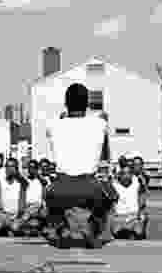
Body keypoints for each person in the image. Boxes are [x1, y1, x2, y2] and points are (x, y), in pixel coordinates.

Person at [43, 83, 118, 247]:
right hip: (89, 188)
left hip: (60, 188)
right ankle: (100, 232)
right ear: (87, 104)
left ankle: (55, 228)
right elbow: (105, 155)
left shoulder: (53, 124)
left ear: (66, 103)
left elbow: (61, 119)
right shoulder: (100, 124)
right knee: (112, 195)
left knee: (47, 195)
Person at [110, 161, 148, 239]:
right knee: (119, 234)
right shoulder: (113, 185)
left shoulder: (137, 183)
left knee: (144, 217)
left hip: (133, 216)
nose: (126, 176)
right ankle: (125, 232)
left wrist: (140, 213)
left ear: (132, 175)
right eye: (124, 173)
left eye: (128, 173)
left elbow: (143, 196)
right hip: (120, 217)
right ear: (120, 175)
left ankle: (136, 232)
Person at [0, 157, 29, 236]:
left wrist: (16, 174)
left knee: (15, 228)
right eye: (7, 166)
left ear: (16, 168)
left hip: (17, 216)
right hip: (4, 215)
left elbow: (25, 183)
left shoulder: (21, 182)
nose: (9, 169)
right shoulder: (1, 181)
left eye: (12, 166)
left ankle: (19, 232)